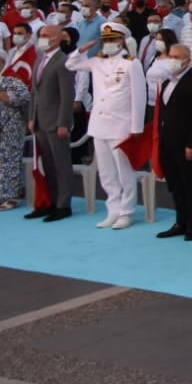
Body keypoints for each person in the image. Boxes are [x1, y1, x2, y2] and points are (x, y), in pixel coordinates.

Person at [64, 21, 146, 229]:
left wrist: (136, 126)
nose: (109, 43)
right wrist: (81, 50)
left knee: (124, 172)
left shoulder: (130, 63)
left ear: (122, 41)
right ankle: (113, 210)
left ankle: (127, 212)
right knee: (107, 172)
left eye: (113, 39)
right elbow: (70, 65)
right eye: (106, 40)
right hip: (99, 125)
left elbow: (139, 96)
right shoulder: (96, 62)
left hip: (121, 125)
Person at [150, 44, 192, 241]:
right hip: (167, 142)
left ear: (187, 60)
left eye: (176, 56)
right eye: (170, 56)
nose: (172, 60)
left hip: (185, 143)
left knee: (189, 184)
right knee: (174, 184)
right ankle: (180, 221)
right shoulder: (167, 83)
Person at [26, 24, 75, 221]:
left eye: (46, 35)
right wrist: (31, 116)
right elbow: (34, 92)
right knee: (48, 165)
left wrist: (64, 122)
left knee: (61, 165)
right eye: (41, 35)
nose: (42, 38)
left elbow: (67, 96)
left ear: (56, 38)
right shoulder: (40, 59)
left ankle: (64, 205)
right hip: (40, 120)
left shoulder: (63, 61)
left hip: (56, 122)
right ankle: (51, 202)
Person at [0, 64, 29, 211]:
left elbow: (25, 98)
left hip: (10, 129)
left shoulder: (12, 81)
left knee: (10, 162)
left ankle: (11, 197)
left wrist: (5, 96)